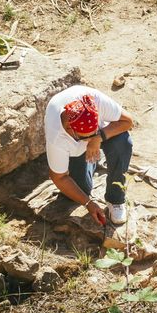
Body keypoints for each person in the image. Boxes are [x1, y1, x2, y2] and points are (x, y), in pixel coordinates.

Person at [44, 85, 135, 226]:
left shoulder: (96, 101)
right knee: (81, 190)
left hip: (103, 136)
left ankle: (116, 199)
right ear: (69, 128)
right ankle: (93, 160)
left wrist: (97, 139)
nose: (88, 140)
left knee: (123, 142)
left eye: (92, 133)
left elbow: (128, 121)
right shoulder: (56, 137)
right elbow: (59, 177)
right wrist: (88, 203)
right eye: (84, 137)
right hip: (73, 149)